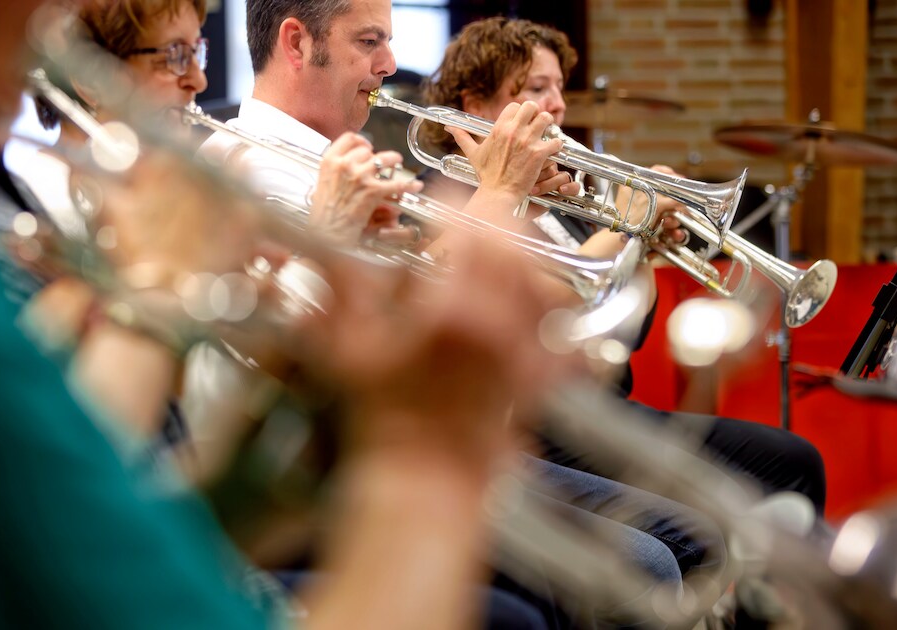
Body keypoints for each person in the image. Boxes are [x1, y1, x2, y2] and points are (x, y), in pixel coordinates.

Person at [0, 1, 574, 628]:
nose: (43, 24)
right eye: (173, 53)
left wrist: (248, 490)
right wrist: (428, 461)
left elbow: (38, 533)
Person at [197, 0, 736, 625]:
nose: (390, 64)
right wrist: (498, 196)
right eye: (369, 42)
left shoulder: (332, 160)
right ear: (296, 43)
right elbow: (386, 347)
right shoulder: (251, 169)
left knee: (679, 542)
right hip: (350, 474)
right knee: (648, 563)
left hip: (416, 440)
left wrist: (513, 209)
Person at [420, 16, 827, 516]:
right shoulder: (447, 196)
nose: (558, 104)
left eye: (560, 88)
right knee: (743, 489)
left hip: (602, 409)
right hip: (540, 427)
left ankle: (757, 594)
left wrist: (645, 251)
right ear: (475, 106)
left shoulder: (563, 194)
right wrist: (625, 231)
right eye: (535, 88)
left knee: (794, 459)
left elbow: (624, 330)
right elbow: (544, 324)